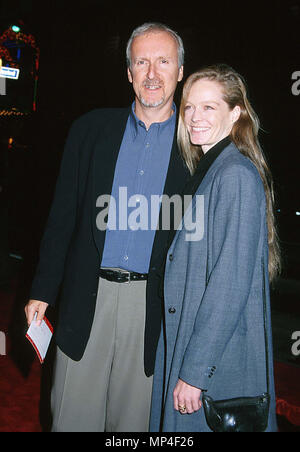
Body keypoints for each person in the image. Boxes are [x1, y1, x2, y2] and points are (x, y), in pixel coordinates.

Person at [24, 23, 189, 432]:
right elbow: (62, 216)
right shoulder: (89, 130)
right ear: (128, 72)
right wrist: (43, 290)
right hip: (87, 298)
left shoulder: (197, 143)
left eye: (163, 61)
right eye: (141, 62)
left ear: (181, 71)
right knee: (71, 419)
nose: (152, 73)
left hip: (154, 308)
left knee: (133, 428)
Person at [150, 64, 281, 432]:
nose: (194, 117)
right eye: (189, 106)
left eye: (209, 107)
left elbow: (229, 285)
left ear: (236, 112)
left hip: (215, 364)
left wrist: (194, 373)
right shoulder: (210, 171)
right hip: (198, 345)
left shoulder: (234, 174)